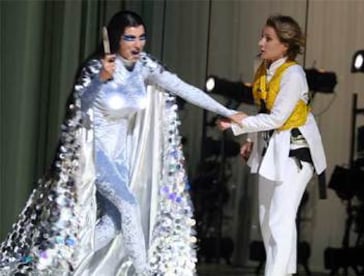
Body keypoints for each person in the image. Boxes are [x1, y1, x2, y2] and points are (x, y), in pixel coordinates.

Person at [0, 10, 237, 276]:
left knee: (113, 224)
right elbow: (80, 106)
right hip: (95, 153)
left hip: (120, 156)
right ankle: (144, 272)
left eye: (141, 37)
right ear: (116, 39)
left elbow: (184, 88)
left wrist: (229, 112)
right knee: (129, 206)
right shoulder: (97, 67)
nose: (137, 44)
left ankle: (55, 263)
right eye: (130, 38)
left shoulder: (145, 65)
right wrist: (99, 80)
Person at [218, 15, 327, 276]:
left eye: (268, 38)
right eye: (262, 36)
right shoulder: (265, 70)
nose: (261, 42)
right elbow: (264, 109)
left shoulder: (293, 74)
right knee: (267, 222)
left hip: (296, 152)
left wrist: (239, 124)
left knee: (279, 219)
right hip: (272, 150)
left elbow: (278, 117)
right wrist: (250, 140)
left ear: (285, 45)